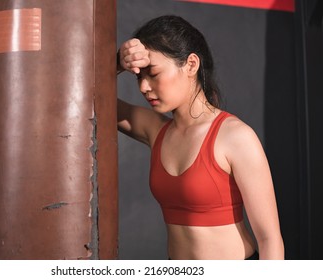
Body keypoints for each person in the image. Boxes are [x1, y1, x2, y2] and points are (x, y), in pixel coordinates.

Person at [116, 15, 284, 260]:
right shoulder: (156, 130)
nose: (143, 87)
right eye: (138, 76)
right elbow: (93, 99)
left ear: (191, 65)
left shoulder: (235, 136)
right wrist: (118, 62)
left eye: (152, 73)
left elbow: (270, 239)